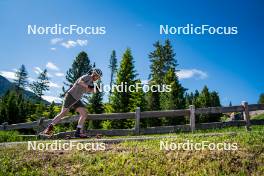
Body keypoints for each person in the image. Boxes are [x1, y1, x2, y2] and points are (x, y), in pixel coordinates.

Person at [42, 68, 103, 138]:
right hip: (70, 96)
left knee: (84, 113)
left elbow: (88, 91)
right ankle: (49, 128)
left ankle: (78, 132)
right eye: (97, 76)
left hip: (76, 99)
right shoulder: (87, 77)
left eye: (99, 77)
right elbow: (80, 82)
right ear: (94, 74)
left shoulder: (92, 83)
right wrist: (90, 87)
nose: (98, 78)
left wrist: (95, 90)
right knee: (64, 113)